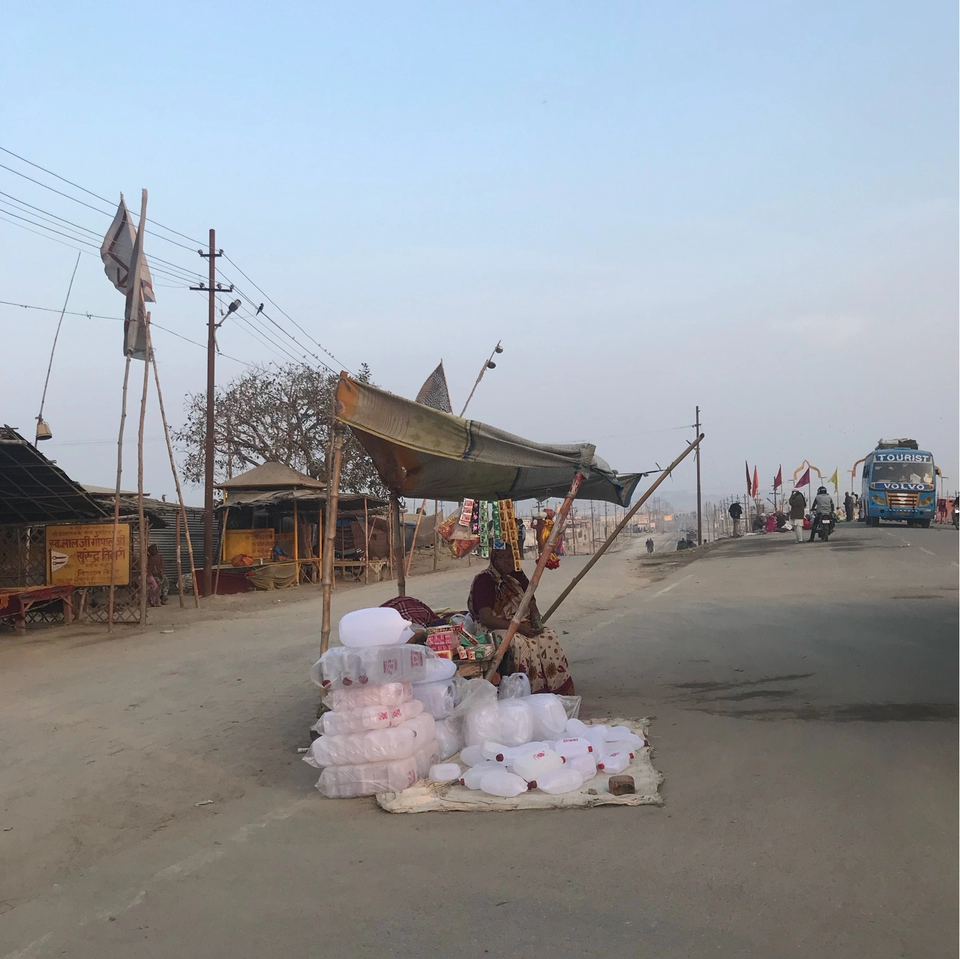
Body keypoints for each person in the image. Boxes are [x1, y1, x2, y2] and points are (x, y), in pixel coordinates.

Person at [468, 547, 574, 694]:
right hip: (494, 626)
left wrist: (537, 621)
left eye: (511, 557)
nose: (508, 561)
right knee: (518, 643)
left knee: (548, 637)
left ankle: (555, 689)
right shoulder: (485, 579)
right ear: (494, 558)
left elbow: (531, 604)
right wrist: (517, 627)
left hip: (522, 623)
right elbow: (486, 618)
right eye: (503, 557)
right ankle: (526, 690)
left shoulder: (518, 575)